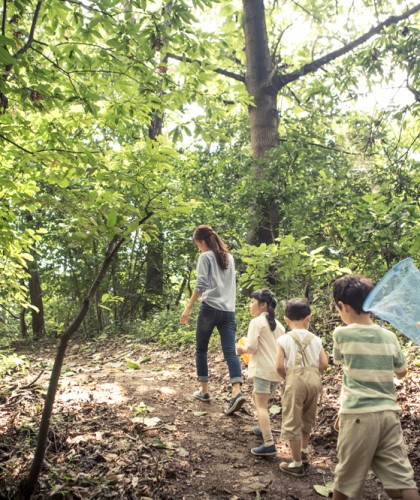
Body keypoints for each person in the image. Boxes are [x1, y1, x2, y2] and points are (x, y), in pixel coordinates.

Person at [332, 274, 419, 500]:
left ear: (343, 306)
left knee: (346, 478)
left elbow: (340, 361)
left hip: (358, 414)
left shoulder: (341, 333)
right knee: (400, 479)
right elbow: (401, 371)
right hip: (388, 414)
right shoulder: (389, 337)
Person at [180, 225, 245, 415]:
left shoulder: (205, 256)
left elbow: (201, 284)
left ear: (201, 242)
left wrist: (188, 307)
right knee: (230, 351)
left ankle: (204, 391)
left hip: (209, 309)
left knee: (201, 349)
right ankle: (236, 391)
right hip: (228, 311)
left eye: (197, 245)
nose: (197, 249)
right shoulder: (229, 258)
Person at [276, 298, 328, 476]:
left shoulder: (283, 339)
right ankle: (305, 452)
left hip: (294, 380)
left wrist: (288, 377)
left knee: (292, 419)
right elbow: (324, 364)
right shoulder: (316, 339)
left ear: (286, 319)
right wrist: (311, 373)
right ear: (309, 317)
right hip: (314, 381)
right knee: (307, 417)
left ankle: (297, 463)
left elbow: (279, 367)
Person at [236, 289, 285, 456]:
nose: (250, 305)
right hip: (276, 371)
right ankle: (262, 427)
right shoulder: (280, 326)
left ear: (262, 305)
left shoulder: (256, 322)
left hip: (263, 370)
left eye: (252, 302)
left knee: (261, 406)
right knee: (259, 399)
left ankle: (269, 442)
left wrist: (240, 349)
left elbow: (251, 347)